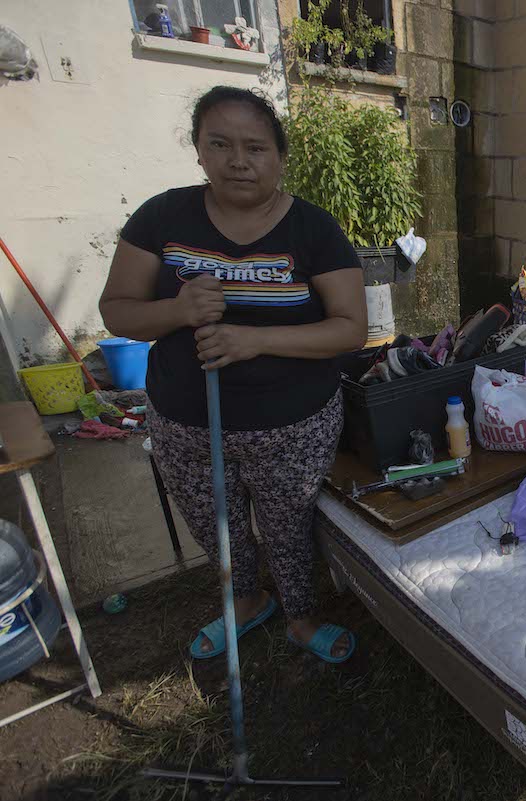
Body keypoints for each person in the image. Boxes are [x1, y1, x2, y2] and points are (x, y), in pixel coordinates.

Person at [99, 86, 366, 664]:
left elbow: (350, 329)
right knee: (215, 526)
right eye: (219, 144)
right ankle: (246, 601)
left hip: (292, 425)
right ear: (198, 150)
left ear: (279, 157)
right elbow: (117, 309)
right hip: (185, 421)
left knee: (288, 526)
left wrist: (255, 339)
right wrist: (176, 311)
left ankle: (300, 616)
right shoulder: (162, 217)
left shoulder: (314, 230)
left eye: (255, 147)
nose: (238, 160)